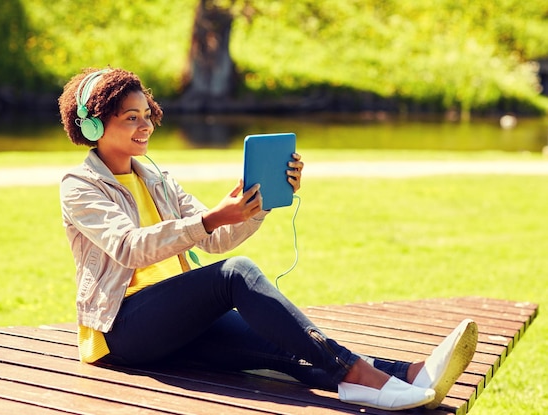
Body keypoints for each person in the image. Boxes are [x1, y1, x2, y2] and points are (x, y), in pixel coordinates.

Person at [58, 67, 478, 411]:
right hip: (123, 330)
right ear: (94, 125)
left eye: (147, 114)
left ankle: (406, 374)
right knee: (234, 274)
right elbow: (131, 245)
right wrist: (210, 218)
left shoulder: (155, 178)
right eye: (130, 117)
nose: (145, 125)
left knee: (283, 346)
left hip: (174, 322)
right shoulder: (80, 186)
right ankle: (364, 378)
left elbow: (215, 239)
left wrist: (256, 203)